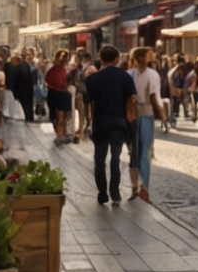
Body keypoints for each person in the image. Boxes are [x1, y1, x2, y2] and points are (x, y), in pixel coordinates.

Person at [84, 45, 137, 206]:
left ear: (101, 58)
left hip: (100, 121)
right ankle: (114, 190)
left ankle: (102, 193)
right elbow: (130, 102)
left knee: (99, 159)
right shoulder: (125, 77)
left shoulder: (92, 79)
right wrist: (131, 123)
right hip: (118, 122)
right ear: (116, 59)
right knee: (116, 157)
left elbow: (90, 105)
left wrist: (89, 122)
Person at [125, 46, 165, 202]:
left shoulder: (130, 74)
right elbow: (155, 95)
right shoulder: (152, 74)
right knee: (144, 152)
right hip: (145, 114)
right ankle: (144, 187)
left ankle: (137, 186)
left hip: (133, 115)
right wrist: (161, 114)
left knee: (134, 152)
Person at [44, 50, 74, 145]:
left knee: (61, 117)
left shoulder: (68, 70)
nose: (62, 59)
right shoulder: (53, 69)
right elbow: (47, 81)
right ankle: (60, 134)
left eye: (64, 57)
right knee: (55, 117)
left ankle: (60, 134)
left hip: (61, 95)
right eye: (60, 56)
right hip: (55, 94)